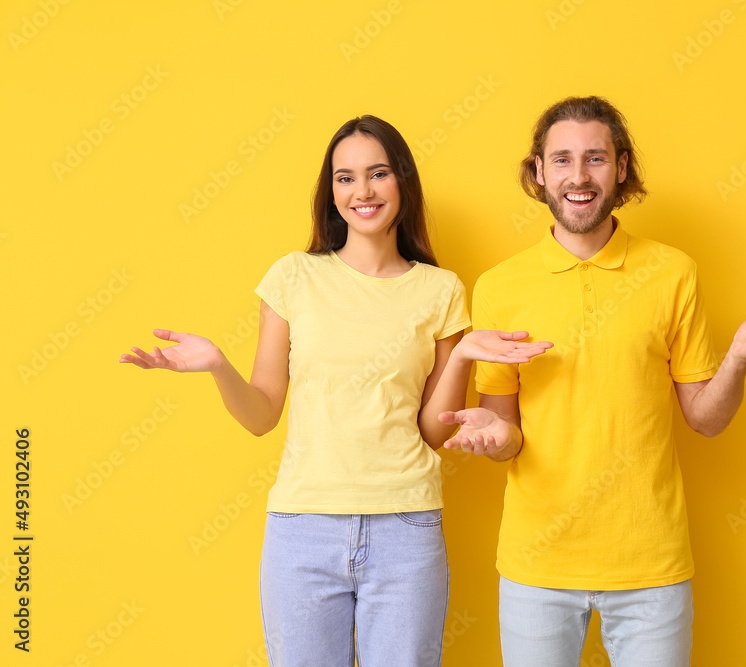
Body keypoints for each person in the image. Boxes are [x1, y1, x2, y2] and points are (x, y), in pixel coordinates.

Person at [120, 115, 550, 667]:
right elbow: (261, 415)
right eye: (345, 178)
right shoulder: (293, 277)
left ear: (403, 184)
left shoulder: (440, 291)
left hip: (406, 529)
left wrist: (463, 353)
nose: (362, 191)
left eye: (378, 174)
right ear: (331, 192)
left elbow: (432, 433)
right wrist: (218, 366)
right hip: (303, 531)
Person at [440, 96, 746, 666]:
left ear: (621, 169)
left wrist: (739, 355)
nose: (578, 175)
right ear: (539, 172)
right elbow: (510, 434)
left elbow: (706, 419)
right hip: (537, 565)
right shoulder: (499, 286)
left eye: (595, 158)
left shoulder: (673, 272)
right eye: (562, 159)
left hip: (652, 566)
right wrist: (492, 434)